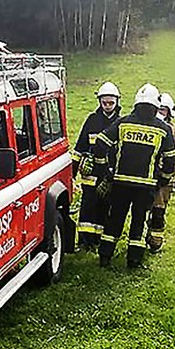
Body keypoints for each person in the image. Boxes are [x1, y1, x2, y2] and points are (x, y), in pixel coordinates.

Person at [93, 83, 175, 268]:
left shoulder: (123, 122)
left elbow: (100, 143)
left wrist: (104, 171)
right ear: (156, 106)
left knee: (114, 219)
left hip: (120, 183)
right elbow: (171, 159)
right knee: (139, 223)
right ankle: (134, 260)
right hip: (146, 186)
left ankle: (105, 257)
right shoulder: (163, 129)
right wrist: (163, 179)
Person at [71, 82, 122, 249]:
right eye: (104, 102)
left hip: (109, 174)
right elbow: (79, 147)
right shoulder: (92, 120)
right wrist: (72, 173)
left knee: (105, 207)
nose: (107, 106)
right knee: (87, 207)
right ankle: (85, 241)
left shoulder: (121, 123)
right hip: (90, 174)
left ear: (117, 102)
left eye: (111, 103)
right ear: (99, 101)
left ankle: (100, 240)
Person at [146, 93, 175, 253]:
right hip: (147, 177)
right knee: (142, 210)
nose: (159, 114)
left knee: (158, 210)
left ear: (169, 112)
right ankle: (141, 237)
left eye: (163, 110)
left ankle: (155, 241)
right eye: (158, 109)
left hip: (165, 180)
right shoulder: (147, 126)